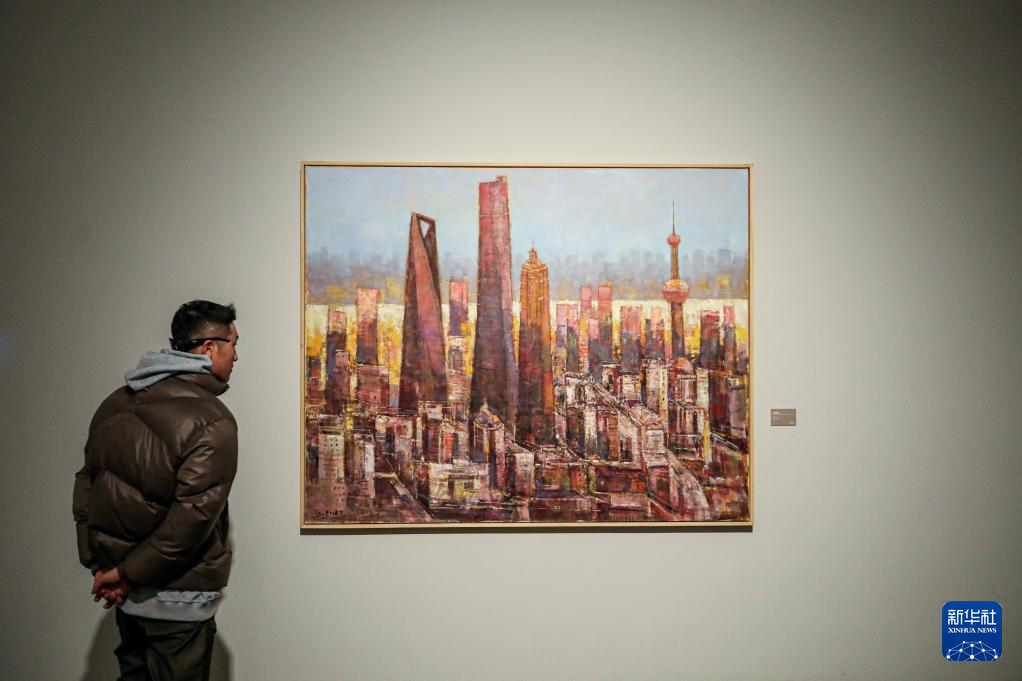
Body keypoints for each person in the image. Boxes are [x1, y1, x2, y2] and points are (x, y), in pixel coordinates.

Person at [73, 300, 240, 681]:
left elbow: (86, 489)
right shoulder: (213, 419)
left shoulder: (114, 404)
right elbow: (192, 519)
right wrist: (126, 574)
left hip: (125, 596)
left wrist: (105, 567)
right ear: (209, 347)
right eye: (233, 344)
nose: (236, 355)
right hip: (178, 601)